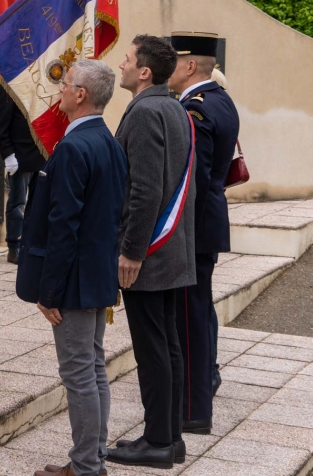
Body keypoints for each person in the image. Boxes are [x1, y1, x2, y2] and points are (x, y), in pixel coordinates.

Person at [16, 60, 128, 476]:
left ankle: (86, 467)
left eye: (65, 84)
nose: (59, 90)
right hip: (95, 274)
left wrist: (50, 291)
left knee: (80, 372)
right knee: (93, 366)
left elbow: (64, 225)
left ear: (81, 94)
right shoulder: (108, 141)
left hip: (75, 282)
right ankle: (90, 458)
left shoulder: (75, 147)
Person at [107, 35, 196, 469]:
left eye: (126, 58)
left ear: (144, 71)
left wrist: (131, 251)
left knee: (153, 349)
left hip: (151, 251)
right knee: (169, 346)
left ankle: (158, 441)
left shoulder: (145, 112)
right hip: (171, 248)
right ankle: (169, 436)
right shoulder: (172, 106)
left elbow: (145, 189)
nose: (120, 64)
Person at [168, 32, 240, 422]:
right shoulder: (218, 99)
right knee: (195, 312)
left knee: (190, 318)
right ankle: (193, 401)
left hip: (193, 227)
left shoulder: (194, 109)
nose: (168, 69)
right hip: (207, 221)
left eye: (173, 62)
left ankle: (193, 410)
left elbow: (190, 180)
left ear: (189, 65)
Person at [0, 85, 46, 264]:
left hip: (40, 154)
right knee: (17, 204)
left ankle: (32, 243)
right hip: (19, 157)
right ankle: (14, 246)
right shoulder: (8, 87)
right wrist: (7, 154)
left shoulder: (40, 84)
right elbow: (1, 126)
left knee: (39, 204)